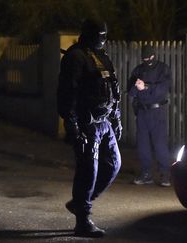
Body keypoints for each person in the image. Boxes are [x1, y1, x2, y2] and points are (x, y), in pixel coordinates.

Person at [57, 18, 122, 238]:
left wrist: (116, 119)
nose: (103, 40)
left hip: (104, 122)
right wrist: (72, 123)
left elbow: (112, 89)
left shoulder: (101, 57)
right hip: (86, 123)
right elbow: (68, 92)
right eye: (100, 36)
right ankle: (82, 220)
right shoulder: (75, 57)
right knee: (88, 170)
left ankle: (80, 203)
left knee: (114, 164)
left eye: (105, 36)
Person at [127, 44, 172, 187]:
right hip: (142, 112)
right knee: (143, 145)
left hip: (157, 112)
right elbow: (131, 91)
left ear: (154, 55)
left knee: (160, 145)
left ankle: (165, 174)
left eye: (150, 57)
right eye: (145, 58)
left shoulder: (163, 69)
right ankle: (146, 174)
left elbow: (163, 89)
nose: (148, 60)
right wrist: (136, 87)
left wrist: (145, 87)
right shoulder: (138, 70)